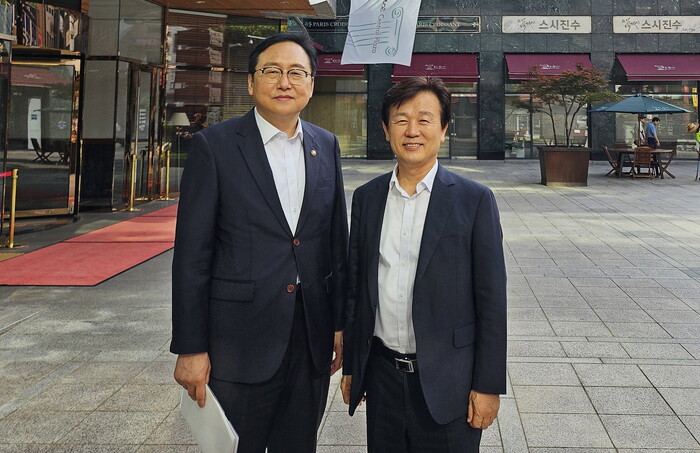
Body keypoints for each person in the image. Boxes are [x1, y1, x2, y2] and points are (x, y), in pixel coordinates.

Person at [170, 32, 348, 453]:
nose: (285, 82)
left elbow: (335, 243)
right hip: (238, 341)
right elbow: (192, 255)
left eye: (296, 72)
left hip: (311, 337)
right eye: (272, 71)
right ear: (251, 82)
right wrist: (191, 348)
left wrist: (340, 323)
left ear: (311, 84)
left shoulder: (326, 145)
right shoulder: (215, 146)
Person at [341, 76, 507, 452]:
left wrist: (487, 386)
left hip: (450, 382)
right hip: (382, 377)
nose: (412, 130)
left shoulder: (474, 201)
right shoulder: (367, 198)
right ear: (386, 130)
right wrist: (354, 366)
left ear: (444, 129)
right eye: (401, 120)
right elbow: (357, 289)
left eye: (424, 119)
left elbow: (492, 302)